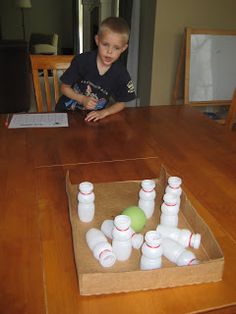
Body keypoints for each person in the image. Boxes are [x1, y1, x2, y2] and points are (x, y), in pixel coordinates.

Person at [55, 16, 136, 122]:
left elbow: (121, 103)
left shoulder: (121, 74)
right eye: (105, 44)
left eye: (116, 48)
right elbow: (64, 88)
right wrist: (82, 99)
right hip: (66, 113)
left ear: (123, 48)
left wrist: (104, 112)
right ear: (97, 40)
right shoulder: (82, 61)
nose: (109, 52)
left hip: (93, 119)